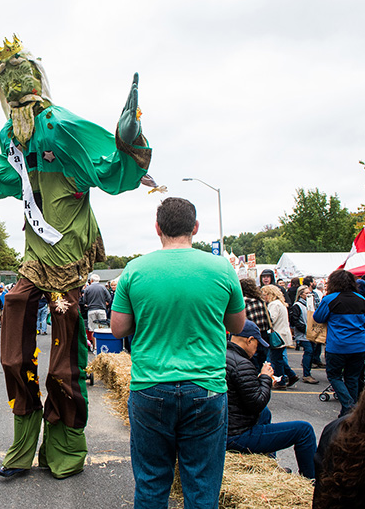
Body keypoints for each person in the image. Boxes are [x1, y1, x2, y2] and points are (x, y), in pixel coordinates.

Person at [0, 36, 156, 481]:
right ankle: (23, 443)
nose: (14, 89)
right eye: (6, 82)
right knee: (13, 346)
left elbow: (109, 171)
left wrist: (128, 140)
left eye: (20, 77)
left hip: (67, 260)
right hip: (33, 260)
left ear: (37, 82)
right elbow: (1, 178)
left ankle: (64, 448)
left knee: (65, 364)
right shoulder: (11, 135)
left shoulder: (60, 125)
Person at [111, 198, 245, 509]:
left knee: (151, 481)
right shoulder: (221, 268)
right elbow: (237, 324)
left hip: (150, 385)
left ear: (157, 228)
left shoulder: (135, 270)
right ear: (195, 227)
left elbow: (118, 329)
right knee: (202, 485)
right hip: (206, 386)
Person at [225, 321, 316, 479]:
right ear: (250, 340)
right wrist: (266, 378)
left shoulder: (223, 355)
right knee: (304, 430)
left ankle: (269, 465)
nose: (257, 349)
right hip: (236, 436)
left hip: (225, 426)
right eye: (257, 344)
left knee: (265, 413)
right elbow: (257, 403)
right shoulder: (242, 364)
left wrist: (260, 381)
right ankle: (312, 481)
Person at [313, 366, 365, 508]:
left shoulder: (337, 430)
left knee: (339, 376)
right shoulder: (337, 430)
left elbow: (321, 492)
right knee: (350, 377)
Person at [313, 269, 365, 417]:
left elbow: (318, 318)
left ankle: (349, 405)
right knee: (352, 378)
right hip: (359, 345)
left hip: (337, 346)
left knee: (334, 376)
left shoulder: (330, 299)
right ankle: (348, 413)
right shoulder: (362, 299)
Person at [261, 285, 298, 390]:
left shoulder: (274, 304)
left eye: (265, 294)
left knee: (276, 359)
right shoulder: (280, 303)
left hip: (277, 335)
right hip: (282, 334)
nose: (264, 297)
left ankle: (281, 381)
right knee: (278, 358)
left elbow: (271, 319)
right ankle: (291, 375)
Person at [239, 278, 272, 370]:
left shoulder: (243, 301)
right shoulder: (261, 301)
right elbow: (268, 318)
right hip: (263, 334)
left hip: (249, 335)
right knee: (262, 359)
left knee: (251, 360)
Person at [289, 285, 319, 384]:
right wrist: (305, 329)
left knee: (311, 352)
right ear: (301, 294)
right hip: (303, 334)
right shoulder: (297, 305)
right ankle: (306, 374)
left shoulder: (310, 305)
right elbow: (295, 321)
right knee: (309, 351)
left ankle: (307, 371)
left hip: (310, 333)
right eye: (306, 293)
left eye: (309, 293)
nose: (309, 295)